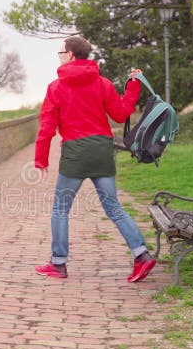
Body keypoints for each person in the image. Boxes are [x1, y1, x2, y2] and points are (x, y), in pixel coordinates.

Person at [33, 36, 157, 282]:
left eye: (61, 52)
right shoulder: (103, 83)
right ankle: (141, 255)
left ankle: (58, 264)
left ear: (70, 55)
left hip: (75, 154)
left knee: (60, 209)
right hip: (102, 151)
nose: (59, 56)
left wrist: (41, 160)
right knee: (114, 208)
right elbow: (121, 114)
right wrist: (133, 87)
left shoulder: (56, 87)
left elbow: (47, 127)